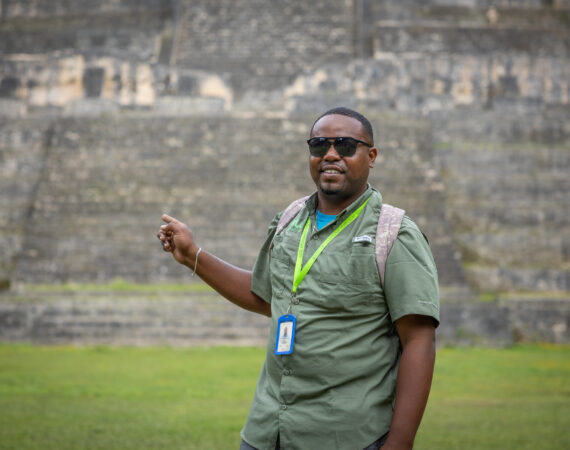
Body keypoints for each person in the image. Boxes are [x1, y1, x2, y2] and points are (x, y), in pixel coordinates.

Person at [157, 107, 440, 450]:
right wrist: (193, 256)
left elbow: (419, 341)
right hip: (266, 431)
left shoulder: (394, 234)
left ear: (372, 156)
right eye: (319, 145)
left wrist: (400, 443)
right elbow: (265, 296)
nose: (331, 154)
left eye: (346, 145)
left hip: (346, 436)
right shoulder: (289, 221)